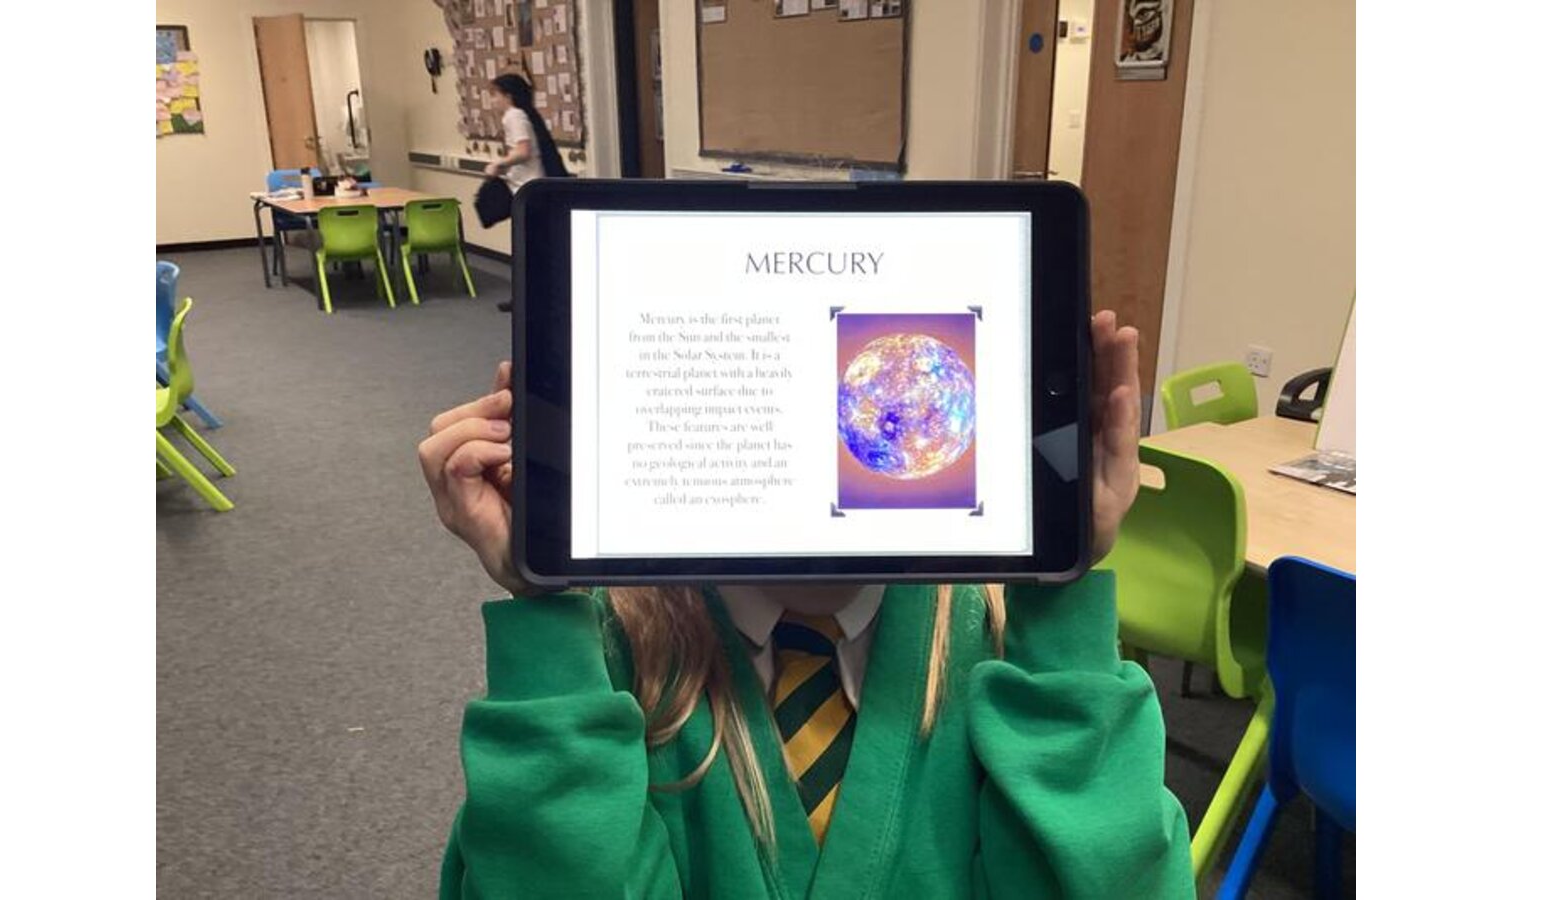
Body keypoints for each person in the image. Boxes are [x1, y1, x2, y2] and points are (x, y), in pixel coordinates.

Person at [418, 312, 1195, 899]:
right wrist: (546, 608)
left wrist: (1058, 596)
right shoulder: (607, 663)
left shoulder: (1002, 647)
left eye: (876, 422)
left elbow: (1117, 879)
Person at [479, 73, 568, 311]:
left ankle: (529, 298)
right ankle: (529, 296)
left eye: (495, 95)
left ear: (507, 96)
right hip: (530, 189)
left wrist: (498, 164)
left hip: (527, 190)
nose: (493, 100)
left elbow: (523, 151)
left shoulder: (514, 116)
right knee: (533, 245)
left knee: (528, 246)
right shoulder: (521, 115)